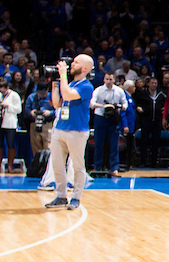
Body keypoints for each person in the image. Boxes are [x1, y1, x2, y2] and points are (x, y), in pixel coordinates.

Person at [45, 55, 94, 210]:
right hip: (61, 128)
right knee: (57, 165)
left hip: (77, 131)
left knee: (78, 166)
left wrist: (63, 75)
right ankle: (61, 196)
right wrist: (55, 83)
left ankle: (76, 197)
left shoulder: (86, 86)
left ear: (85, 68)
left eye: (76, 62)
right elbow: (57, 103)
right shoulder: (71, 83)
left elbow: (67, 95)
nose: (72, 64)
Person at [92, 72, 126, 174]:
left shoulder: (119, 91)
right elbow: (91, 104)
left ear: (114, 80)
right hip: (100, 118)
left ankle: (114, 168)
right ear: (104, 80)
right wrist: (103, 106)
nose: (108, 81)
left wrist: (118, 107)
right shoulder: (98, 90)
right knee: (98, 144)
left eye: (110, 79)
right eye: (107, 79)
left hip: (113, 119)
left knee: (114, 145)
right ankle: (98, 167)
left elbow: (125, 104)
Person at [0, 77, 22, 173]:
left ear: (7, 87)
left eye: (3, 88)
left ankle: (10, 166)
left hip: (10, 123)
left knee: (10, 144)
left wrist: (8, 106)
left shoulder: (14, 95)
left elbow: (19, 109)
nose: (1, 90)